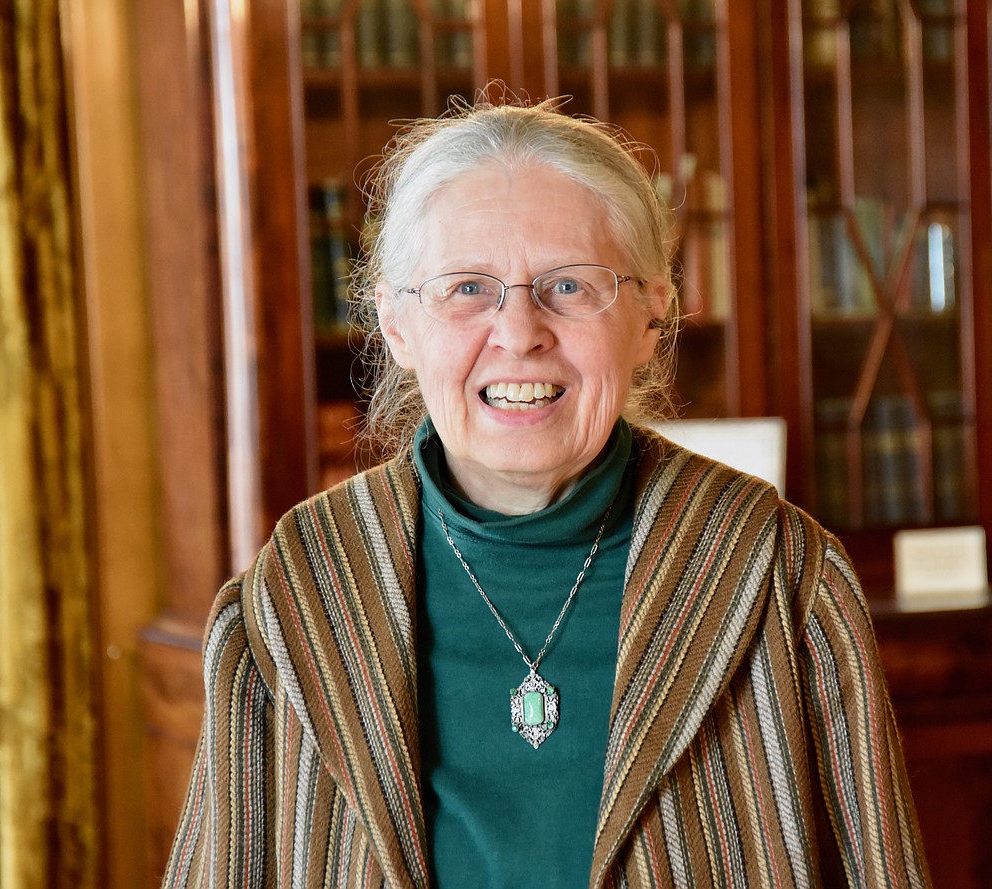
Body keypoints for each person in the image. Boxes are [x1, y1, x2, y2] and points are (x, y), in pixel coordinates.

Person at [162, 96, 932, 888]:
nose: (520, 330)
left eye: (568, 285)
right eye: (467, 287)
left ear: (650, 315)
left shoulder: (782, 575)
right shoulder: (295, 594)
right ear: (396, 326)